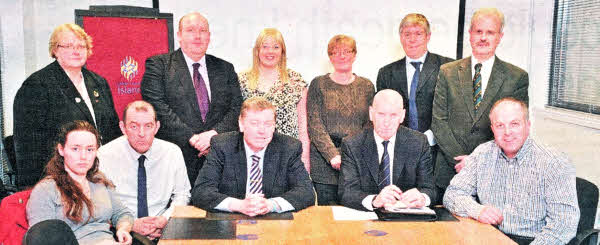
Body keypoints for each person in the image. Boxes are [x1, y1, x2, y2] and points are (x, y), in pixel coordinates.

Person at [443, 98, 579, 245]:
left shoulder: (553, 162)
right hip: (487, 235)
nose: (507, 132)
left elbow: (564, 225)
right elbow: (452, 194)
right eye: (500, 125)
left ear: (528, 125)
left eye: (515, 124)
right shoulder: (483, 154)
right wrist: (478, 210)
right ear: (492, 128)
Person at [431, 8, 529, 199]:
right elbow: (438, 122)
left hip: (494, 172)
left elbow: (516, 128)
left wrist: (477, 161)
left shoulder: (516, 77)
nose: (483, 37)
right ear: (470, 34)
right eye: (478, 31)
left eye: (490, 32)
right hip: (450, 171)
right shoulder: (447, 72)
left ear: (500, 37)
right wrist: (460, 159)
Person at [13, 23, 121, 187]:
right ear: (55, 50)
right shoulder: (37, 85)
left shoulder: (98, 82)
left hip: (98, 176)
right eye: (68, 46)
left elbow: (111, 130)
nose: (76, 51)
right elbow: (29, 146)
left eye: (81, 46)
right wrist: (38, 187)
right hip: (58, 180)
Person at [141, 12, 243, 183]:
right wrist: (193, 138)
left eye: (202, 31)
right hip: (177, 158)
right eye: (190, 30)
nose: (197, 36)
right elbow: (157, 106)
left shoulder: (225, 68)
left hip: (220, 160)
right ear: (179, 35)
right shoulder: (159, 66)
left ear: (209, 36)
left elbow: (237, 107)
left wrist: (213, 136)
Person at [192, 97, 315, 216]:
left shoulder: (289, 147)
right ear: (241, 124)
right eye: (255, 123)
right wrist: (239, 205)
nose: (262, 130)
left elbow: (306, 192)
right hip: (230, 220)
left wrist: (270, 205)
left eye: (268, 124)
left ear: (274, 126)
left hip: (273, 221)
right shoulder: (222, 145)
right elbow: (201, 191)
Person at [26, 120, 133, 245]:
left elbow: (123, 214)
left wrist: (123, 229)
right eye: (75, 149)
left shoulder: (99, 180)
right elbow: (42, 238)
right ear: (61, 150)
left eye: (89, 149)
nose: (83, 156)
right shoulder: (45, 190)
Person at [98, 101, 191, 240]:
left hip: (163, 229)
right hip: (120, 231)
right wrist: (129, 224)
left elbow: (182, 195)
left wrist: (164, 220)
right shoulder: (104, 155)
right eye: (134, 126)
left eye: (148, 126)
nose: (141, 134)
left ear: (157, 127)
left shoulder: (172, 152)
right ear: (122, 127)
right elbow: (99, 204)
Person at [339, 90, 435, 211]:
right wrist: (375, 200)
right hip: (367, 219)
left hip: (406, 220)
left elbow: (430, 189)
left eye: (393, 115)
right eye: (381, 114)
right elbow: (346, 192)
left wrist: (423, 198)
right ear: (371, 113)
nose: (386, 122)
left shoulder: (418, 142)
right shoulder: (352, 144)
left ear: (402, 116)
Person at [307, 34, 375, 205]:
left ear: (355, 54)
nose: (342, 56)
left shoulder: (366, 86)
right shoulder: (318, 84)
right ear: (330, 57)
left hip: (356, 160)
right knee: (327, 218)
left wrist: (352, 154)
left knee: (356, 214)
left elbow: (369, 124)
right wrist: (332, 155)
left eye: (347, 51)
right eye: (336, 52)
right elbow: (315, 124)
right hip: (324, 162)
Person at [376, 13, 453, 159]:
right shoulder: (386, 73)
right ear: (400, 37)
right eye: (407, 34)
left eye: (418, 34)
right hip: (398, 150)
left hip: (439, 151)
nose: (412, 39)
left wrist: (429, 138)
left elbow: (454, 110)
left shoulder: (448, 67)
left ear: (428, 37)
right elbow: (383, 115)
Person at [238, 28, 310, 170]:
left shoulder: (295, 81)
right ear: (257, 51)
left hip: (287, 156)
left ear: (282, 52)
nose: (270, 52)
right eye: (265, 47)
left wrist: (305, 159)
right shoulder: (241, 81)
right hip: (251, 156)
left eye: (276, 47)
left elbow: (303, 126)